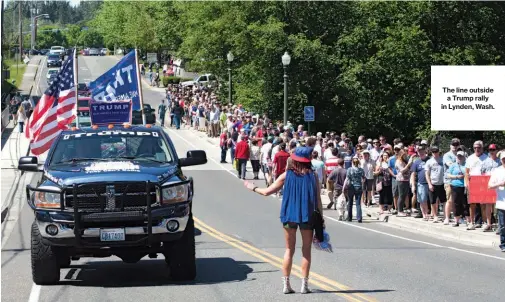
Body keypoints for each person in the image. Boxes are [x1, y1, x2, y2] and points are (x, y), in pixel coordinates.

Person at [244, 146, 323, 294]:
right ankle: (304, 285)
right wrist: (321, 218)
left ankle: (286, 284)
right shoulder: (313, 176)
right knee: (306, 250)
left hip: (289, 214)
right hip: (307, 216)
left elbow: (267, 192)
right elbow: (318, 200)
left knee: (289, 249)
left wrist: (252, 187)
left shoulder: (286, 175)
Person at [488, 151, 505, 252]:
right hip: (501, 203)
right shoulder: (497, 171)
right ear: (501, 160)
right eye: (503, 159)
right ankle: (503, 244)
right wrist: (500, 184)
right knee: (502, 226)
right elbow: (490, 186)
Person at [447, 151, 469, 227]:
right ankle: (456, 220)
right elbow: (448, 175)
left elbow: (469, 173)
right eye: (458, 156)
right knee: (455, 203)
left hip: (464, 186)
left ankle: (468, 221)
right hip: (455, 185)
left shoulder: (467, 165)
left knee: (465, 203)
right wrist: (456, 177)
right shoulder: (453, 165)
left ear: (464, 157)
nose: (459, 158)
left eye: (461, 156)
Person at [346, 156, 365, 222]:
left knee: (350, 202)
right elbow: (364, 178)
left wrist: (344, 187)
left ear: (352, 163)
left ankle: (349, 217)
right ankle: (359, 217)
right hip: (359, 186)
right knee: (358, 203)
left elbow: (347, 178)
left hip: (351, 187)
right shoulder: (361, 170)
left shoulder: (349, 169)